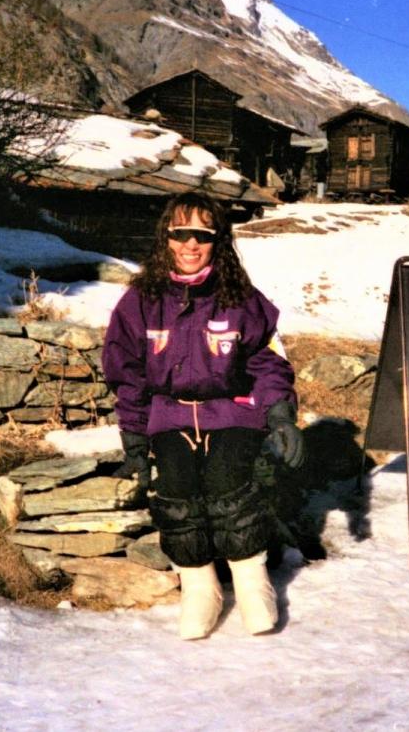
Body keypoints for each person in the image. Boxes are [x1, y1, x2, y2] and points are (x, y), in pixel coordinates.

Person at [102, 192, 304, 639]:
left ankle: (252, 582)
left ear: (219, 241)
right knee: (176, 492)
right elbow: (127, 373)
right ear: (166, 237)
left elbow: (267, 361)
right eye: (180, 233)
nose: (190, 244)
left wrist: (280, 415)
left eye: (203, 234)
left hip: (232, 412)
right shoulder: (141, 301)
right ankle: (201, 588)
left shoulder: (240, 298)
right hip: (169, 415)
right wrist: (133, 437)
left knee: (227, 483)